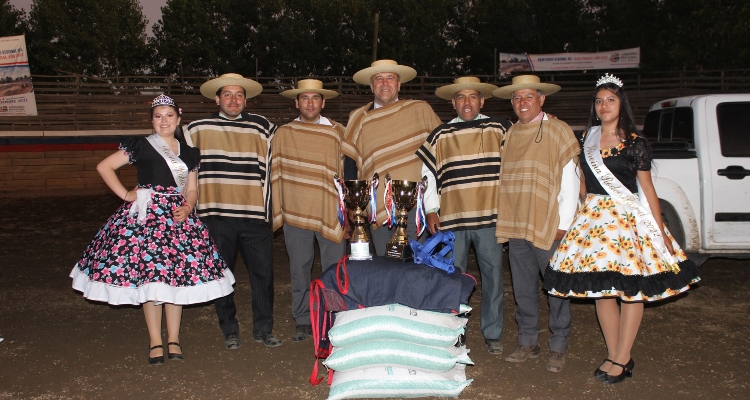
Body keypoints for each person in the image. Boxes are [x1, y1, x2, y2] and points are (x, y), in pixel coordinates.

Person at [543, 73, 701, 383]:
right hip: (595, 221)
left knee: (631, 290)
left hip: (627, 222)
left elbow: (648, 190)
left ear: (621, 104)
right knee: (603, 290)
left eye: (610, 100)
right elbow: (584, 184)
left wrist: (660, 232)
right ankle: (613, 353)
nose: (604, 106)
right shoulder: (586, 137)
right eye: (599, 101)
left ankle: (623, 356)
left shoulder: (635, 142)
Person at [70, 94, 235, 365]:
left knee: (176, 279)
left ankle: (173, 338)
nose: (164, 121)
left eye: (169, 115)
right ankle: (155, 341)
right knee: (151, 278)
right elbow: (105, 166)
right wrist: (125, 194)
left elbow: (192, 188)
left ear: (179, 119)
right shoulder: (141, 146)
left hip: (178, 220)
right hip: (147, 219)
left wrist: (189, 206)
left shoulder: (190, 152)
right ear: (152, 121)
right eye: (158, 116)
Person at [416, 76, 511, 354]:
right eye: (461, 97)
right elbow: (428, 176)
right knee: (451, 277)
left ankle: (492, 332)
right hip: (453, 218)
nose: (466, 102)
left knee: (493, 275)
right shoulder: (440, 134)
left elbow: (523, 148)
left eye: (473, 97)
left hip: (489, 217)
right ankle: (452, 331)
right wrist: (432, 209)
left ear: (482, 101)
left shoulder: (500, 128)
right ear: (453, 102)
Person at [185, 73, 281, 349]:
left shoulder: (264, 127)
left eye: (239, 95)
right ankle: (229, 329)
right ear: (217, 98)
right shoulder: (196, 129)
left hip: (254, 215)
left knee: (263, 275)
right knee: (221, 276)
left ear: (245, 99)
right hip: (216, 215)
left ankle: (264, 329)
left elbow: (285, 155)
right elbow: (179, 167)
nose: (233, 100)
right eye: (227, 94)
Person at [492, 75, 580, 373]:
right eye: (517, 98)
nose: (522, 102)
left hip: (549, 223)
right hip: (518, 223)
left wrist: (564, 223)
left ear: (542, 99)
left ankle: (558, 346)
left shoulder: (558, 130)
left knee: (556, 286)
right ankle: (527, 340)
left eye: (529, 97)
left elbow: (570, 179)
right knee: (523, 287)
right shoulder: (510, 134)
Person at [270, 79, 346, 342]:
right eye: (305, 98)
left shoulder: (337, 132)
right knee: (299, 268)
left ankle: (335, 318)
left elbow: (350, 169)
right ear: (296, 103)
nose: (310, 103)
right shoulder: (284, 133)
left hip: (330, 211)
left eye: (315, 98)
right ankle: (303, 318)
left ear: (323, 103)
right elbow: (276, 171)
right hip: (297, 211)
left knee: (334, 269)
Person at [342, 59, 442, 255]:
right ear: (371, 85)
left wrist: (434, 206)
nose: (385, 83)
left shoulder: (419, 111)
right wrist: (353, 204)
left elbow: (439, 152)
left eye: (390, 78)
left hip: (415, 204)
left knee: (412, 262)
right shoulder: (358, 118)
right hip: (377, 206)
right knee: (384, 262)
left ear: (398, 84)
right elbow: (352, 162)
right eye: (379, 79)